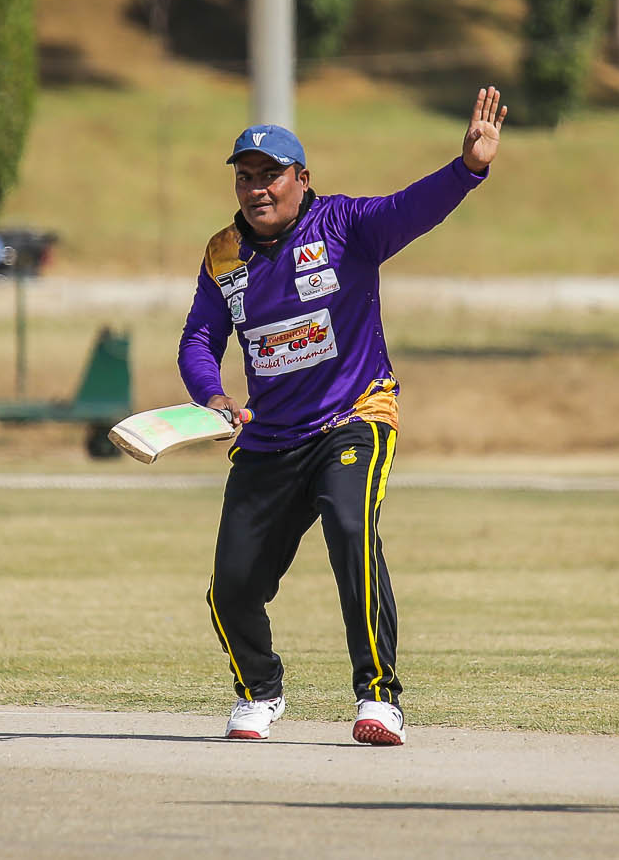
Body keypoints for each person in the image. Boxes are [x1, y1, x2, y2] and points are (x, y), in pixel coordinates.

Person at [178, 89, 505, 744]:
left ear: (302, 179)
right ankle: (259, 691)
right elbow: (198, 339)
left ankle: (378, 698)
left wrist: (468, 167)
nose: (256, 188)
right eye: (245, 177)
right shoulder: (223, 254)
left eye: (271, 175)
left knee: (351, 531)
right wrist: (213, 395)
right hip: (268, 438)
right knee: (232, 586)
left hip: (352, 417)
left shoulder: (345, 225)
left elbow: (411, 207)